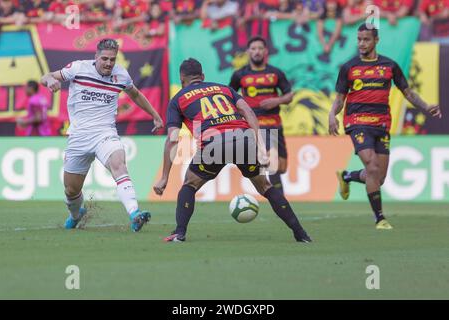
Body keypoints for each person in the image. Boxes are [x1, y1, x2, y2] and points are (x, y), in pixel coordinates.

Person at [153, 58, 311, 243]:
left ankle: (179, 233)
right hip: (243, 138)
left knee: (189, 185)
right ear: (202, 76)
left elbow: (172, 138)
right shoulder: (224, 89)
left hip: (213, 144)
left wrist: (165, 176)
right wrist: (260, 147)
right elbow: (249, 113)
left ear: (182, 79)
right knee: (266, 187)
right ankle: (301, 234)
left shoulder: (178, 99)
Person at [41, 38, 164, 232]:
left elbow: (136, 94)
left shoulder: (121, 74)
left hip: (105, 133)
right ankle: (76, 214)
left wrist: (155, 115)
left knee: (119, 165)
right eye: (105, 58)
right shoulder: (78, 68)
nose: (108, 63)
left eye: (112, 59)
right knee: (71, 190)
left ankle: (135, 213)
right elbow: (47, 75)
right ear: (96, 57)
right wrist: (50, 81)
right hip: (79, 137)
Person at [328, 23, 442, 230]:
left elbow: (408, 93)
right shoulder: (349, 67)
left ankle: (347, 176)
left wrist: (426, 106)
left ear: (376, 41)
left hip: (381, 124)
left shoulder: (390, 66)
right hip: (357, 122)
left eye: (366, 39)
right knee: (371, 166)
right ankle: (380, 218)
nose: (362, 43)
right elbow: (339, 99)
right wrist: (331, 115)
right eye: (359, 39)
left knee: (378, 177)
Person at [229, 36, 293, 194]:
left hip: (275, 124)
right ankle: (281, 202)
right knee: (273, 164)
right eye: (253, 49)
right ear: (248, 52)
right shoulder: (239, 75)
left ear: (265, 51)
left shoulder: (276, 73)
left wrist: (276, 101)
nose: (257, 52)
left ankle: (270, 185)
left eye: (260, 49)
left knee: (282, 167)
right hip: (255, 125)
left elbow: (289, 96)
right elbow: (229, 97)